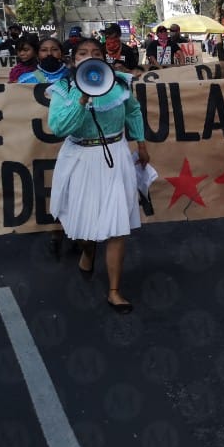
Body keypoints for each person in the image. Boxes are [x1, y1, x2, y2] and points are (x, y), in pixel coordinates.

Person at [47, 38, 149, 313]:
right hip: (80, 158)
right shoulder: (63, 88)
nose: (89, 57)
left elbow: (133, 111)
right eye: (83, 53)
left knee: (117, 225)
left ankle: (114, 290)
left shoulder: (120, 84)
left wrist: (140, 142)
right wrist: (82, 97)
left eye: (96, 53)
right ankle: (88, 249)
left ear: (104, 58)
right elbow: (59, 127)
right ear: (73, 60)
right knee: (80, 221)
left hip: (115, 156)